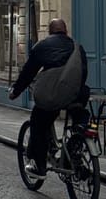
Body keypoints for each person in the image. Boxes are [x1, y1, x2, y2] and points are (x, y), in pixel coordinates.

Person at [9, 18, 89, 180]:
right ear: (65, 31)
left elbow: (28, 72)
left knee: (38, 122)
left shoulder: (42, 46)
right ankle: (75, 148)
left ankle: (39, 165)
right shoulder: (77, 47)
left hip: (51, 96)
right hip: (75, 95)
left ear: (49, 31)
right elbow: (83, 72)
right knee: (80, 119)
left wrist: (15, 92)